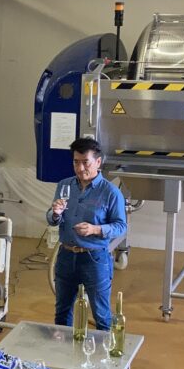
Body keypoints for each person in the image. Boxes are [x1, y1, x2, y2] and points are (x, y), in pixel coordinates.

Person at [46, 137, 127, 330]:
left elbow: (121, 226)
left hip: (94, 259)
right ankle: (64, 348)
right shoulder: (64, 186)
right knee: (62, 312)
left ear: (98, 162)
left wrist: (95, 229)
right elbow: (52, 219)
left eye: (85, 163)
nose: (80, 168)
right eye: (76, 162)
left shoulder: (110, 192)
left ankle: (104, 349)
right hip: (66, 256)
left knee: (101, 315)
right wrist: (55, 213)